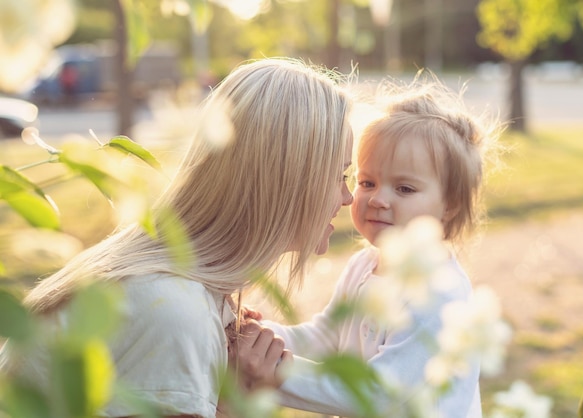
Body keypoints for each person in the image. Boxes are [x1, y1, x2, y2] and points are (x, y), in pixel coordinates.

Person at [0, 58, 354, 418]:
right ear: (290, 180)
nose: (348, 197)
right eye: (339, 175)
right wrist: (244, 402)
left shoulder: (173, 287)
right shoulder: (177, 314)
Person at [239, 75, 503, 417]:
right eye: (367, 182)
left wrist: (277, 375)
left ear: (449, 204)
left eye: (405, 189)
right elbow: (324, 338)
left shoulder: (439, 293)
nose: (378, 199)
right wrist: (260, 339)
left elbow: (379, 392)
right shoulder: (364, 266)